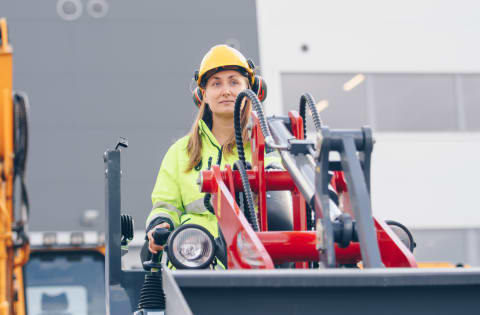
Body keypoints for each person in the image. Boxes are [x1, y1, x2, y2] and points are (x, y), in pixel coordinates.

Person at [143, 45, 278, 266]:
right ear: (203, 95)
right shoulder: (180, 152)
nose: (226, 90)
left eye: (234, 82)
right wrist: (159, 225)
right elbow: (165, 207)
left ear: (251, 89)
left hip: (254, 270)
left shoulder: (269, 146)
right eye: (216, 83)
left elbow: (282, 198)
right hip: (193, 271)